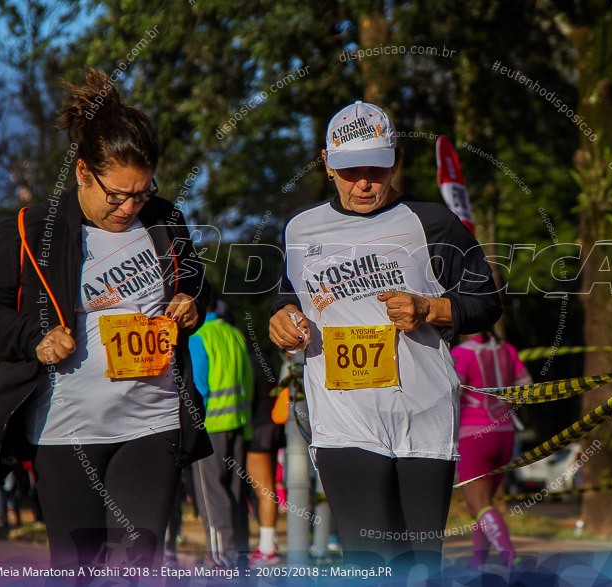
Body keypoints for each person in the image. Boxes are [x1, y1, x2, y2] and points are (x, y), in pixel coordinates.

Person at [0, 67, 212, 570]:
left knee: (136, 563)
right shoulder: (33, 229)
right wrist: (33, 340)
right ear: (83, 172)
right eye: (116, 194)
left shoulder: (165, 219)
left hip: (153, 419)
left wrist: (190, 302)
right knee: (79, 570)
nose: (128, 206)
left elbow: (196, 281)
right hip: (66, 430)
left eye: (141, 192)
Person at [268, 101, 502, 574]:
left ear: (396, 160)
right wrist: (281, 319)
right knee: (371, 562)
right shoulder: (300, 229)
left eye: (376, 168)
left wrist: (430, 308)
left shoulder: (432, 223)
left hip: (425, 420)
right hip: (344, 420)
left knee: (420, 569)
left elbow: (487, 302)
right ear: (327, 163)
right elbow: (286, 299)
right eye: (349, 170)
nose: (364, 183)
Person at [451, 332, 532, 570]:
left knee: (479, 504)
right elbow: (525, 384)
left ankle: (511, 558)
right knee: (485, 505)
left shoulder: (462, 352)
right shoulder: (506, 349)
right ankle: (477, 564)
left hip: (473, 435)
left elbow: (451, 392)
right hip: (505, 434)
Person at [189, 286, 253, 569]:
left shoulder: (199, 336)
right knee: (235, 494)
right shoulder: (235, 333)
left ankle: (219, 558)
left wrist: (191, 426)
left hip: (209, 426)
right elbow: (249, 379)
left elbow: (198, 387)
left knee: (211, 494)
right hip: (238, 424)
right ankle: (239, 557)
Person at [245, 361, 286, 566]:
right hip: (273, 428)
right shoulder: (269, 365)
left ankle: (268, 548)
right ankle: (269, 545)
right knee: (268, 490)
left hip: (259, 431)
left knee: (264, 491)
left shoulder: (252, 365)